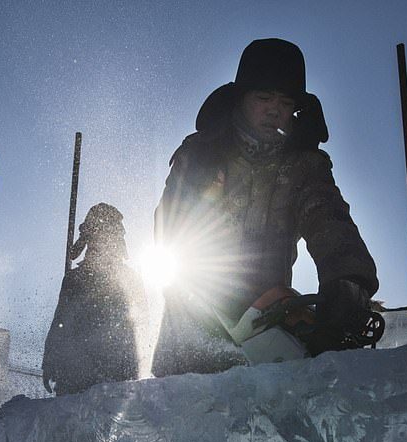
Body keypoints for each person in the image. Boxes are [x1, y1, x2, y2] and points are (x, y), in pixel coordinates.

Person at [151, 38, 378, 377]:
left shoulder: (303, 166)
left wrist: (347, 279)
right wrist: (237, 299)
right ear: (240, 99)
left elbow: (328, 217)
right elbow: (170, 232)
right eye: (264, 97)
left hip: (267, 339)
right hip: (192, 334)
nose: (275, 109)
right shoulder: (199, 155)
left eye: (286, 102)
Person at [42, 203, 146, 395]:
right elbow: (61, 323)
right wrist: (50, 361)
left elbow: (141, 329)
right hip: (78, 378)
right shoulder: (75, 279)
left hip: (114, 380)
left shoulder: (129, 280)